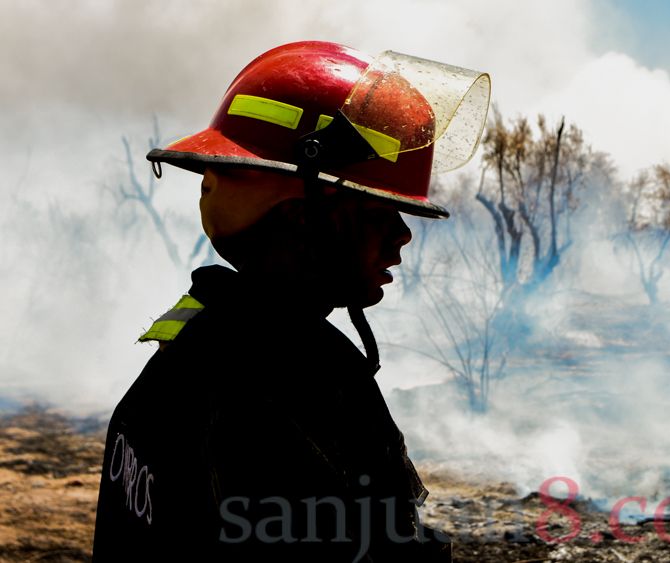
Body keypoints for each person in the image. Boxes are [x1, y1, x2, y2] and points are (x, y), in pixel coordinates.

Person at [92, 41, 490, 561]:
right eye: (375, 211)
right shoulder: (292, 385)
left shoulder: (196, 335)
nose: (403, 235)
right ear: (302, 218)